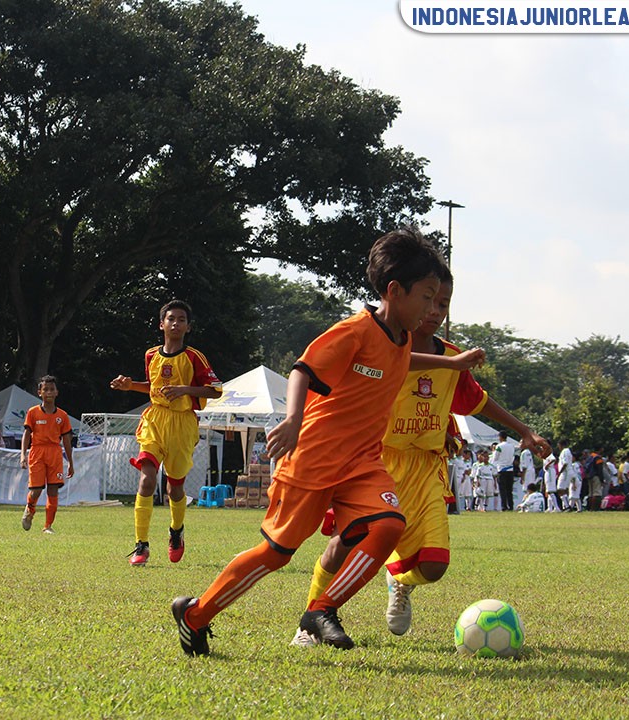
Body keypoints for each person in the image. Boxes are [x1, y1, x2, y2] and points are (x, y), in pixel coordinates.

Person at [170, 228, 447, 656]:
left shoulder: (403, 336)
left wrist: (456, 362)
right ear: (394, 291)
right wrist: (294, 419)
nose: (432, 309)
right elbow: (302, 369)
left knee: (390, 523)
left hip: (362, 462)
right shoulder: (354, 331)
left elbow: (401, 359)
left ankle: (321, 610)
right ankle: (195, 615)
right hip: (313, 457)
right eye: (427, 297)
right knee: (276, 553)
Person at [291, 274, 550, 644]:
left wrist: (525, 430)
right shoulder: (389, 344)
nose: (434, 311)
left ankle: (399, 579)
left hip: (426, 467)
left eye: (443, 304)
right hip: (375, 460)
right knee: (344, 544)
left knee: (433, 565)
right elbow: (390, 365)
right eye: (429, 301)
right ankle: (309, 622)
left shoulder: (451, 355)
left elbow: (477, 401)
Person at [111, 299, 222, 567]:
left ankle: (176, 531)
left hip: (182, 423)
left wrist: (185, 389)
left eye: (181, 319)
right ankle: (141, 545)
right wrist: (130, 387)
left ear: (188, 327)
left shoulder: (194, 357)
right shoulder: (151, 355)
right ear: (162, 324)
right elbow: (152, 387)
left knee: (175, 488)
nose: (175, 323)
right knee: (147, 480)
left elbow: (216, 389)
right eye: (171, 319)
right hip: (155, 419)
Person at [19, 375, 75, 534]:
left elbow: (66, 440)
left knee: (53, 489)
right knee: (36, 490)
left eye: (52, 389)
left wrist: (70, 462)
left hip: (55, 453)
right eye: (46, 389)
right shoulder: (33, 412)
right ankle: (30, 510)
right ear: (39, 393)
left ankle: (48, 526)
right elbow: (26, 434)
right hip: (37, 451)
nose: (49, 392)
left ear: (57, 392)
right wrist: (23, 455)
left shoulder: (62, 416)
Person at [491, 431, 516, 511]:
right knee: (509, 489)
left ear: (500, 437)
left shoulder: (499, 446)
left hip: (502, 469)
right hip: (510, 469)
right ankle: (511, 506)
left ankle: (504, 506)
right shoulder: (511, 446)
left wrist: (494, 451)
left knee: (502, 489)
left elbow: (495, 458)